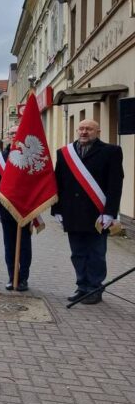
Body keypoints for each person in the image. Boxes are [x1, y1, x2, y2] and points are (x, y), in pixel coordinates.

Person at [52, 119, 124, 305]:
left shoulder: (111, 151)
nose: (84, 132)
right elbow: (57, 182)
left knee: (96, 253)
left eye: (89, 129)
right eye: (81, 128)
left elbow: (115, 184)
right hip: (73, 214)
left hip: (97, 214)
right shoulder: (64, 153)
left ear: (98, 131)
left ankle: (95, 288)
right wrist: (57, 209)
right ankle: (81, 286)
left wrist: (110, 213)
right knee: (77, 253)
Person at [0, 125, 31, 292]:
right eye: (11, 133)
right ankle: (11, 276)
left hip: (25, 208)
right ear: (6, 137)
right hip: (5, 208)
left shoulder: (30, 156)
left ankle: (23, 279)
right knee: (9, 245)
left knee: (25, 246)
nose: (14, 136)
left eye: (17, 133)